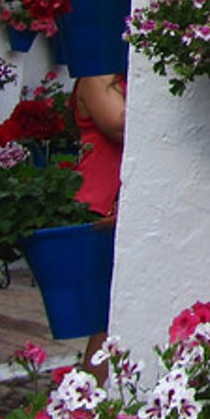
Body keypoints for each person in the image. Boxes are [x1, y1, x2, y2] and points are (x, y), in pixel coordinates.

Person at [72, 73, 125, 370]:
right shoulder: (96, 76)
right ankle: (91, 398)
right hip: (103, 204)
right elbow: (118, 123)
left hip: (121, 202)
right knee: (106, 319)